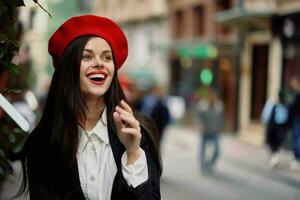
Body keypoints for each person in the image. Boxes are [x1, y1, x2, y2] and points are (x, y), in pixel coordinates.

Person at [17, 15, 162, 200]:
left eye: (107, 57)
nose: (100, 63)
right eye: (87, 56)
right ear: (69, 67)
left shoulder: (139, 134)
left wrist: (133, 152)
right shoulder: (42, 144)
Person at [197, 87, 223, 173]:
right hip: (205, 132)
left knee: (217, 151)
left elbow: (221, 119)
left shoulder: (219, 107)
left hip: (214, 132)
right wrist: (200, 125)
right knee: (203, 150)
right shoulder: (203, 106)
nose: (212, 98)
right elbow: (198, 118)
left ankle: (209, 164)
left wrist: (221, 128)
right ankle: (203, 166)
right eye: (210, 97)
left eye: (214, 97)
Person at [261, 90, 289, 168]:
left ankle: (275, 156)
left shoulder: (282, 105)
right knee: (269, 141)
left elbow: (284, 116)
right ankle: (274, 155)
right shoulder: (271, 103)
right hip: (271, 125)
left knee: (276, 141)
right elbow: (266, 113)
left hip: (278, 126)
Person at [289, 74, 300, 169]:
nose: (292, 84)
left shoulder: (297, 94)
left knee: (297, 139)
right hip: (296, 119)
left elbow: (293, 108)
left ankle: (297, 159)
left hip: (297, 119)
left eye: (294, 82)